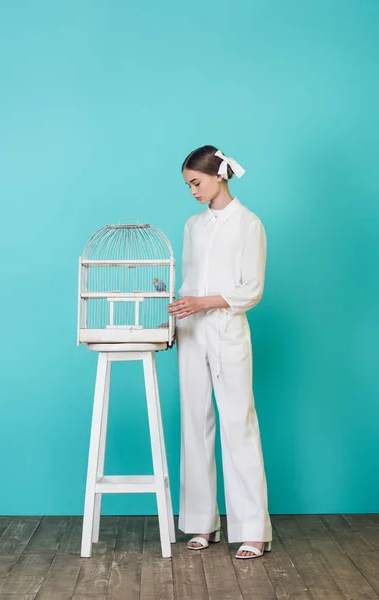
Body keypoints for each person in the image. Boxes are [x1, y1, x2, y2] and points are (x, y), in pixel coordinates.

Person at [167, 145, 272, 559]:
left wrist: (203, 302)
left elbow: (251, 290)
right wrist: (176, 316)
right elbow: (188, 284)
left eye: (196, 182)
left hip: (228, 331)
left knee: (237, 423)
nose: (192, 190)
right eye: (188, 185)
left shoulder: (249, 224)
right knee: (194, 422)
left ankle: (252, 530)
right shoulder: (193, 225)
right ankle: (200, 523)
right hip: (191, 331)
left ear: (219, 176)